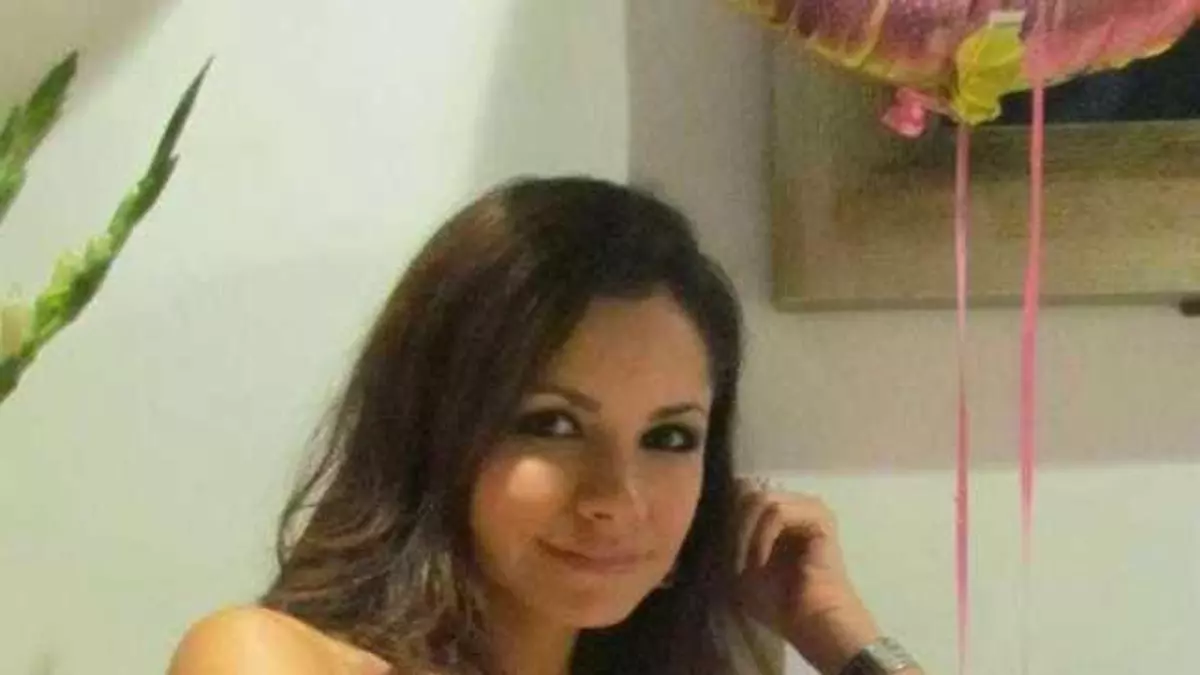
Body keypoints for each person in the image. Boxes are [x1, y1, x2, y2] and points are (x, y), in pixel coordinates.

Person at [168, 177, 922, 675]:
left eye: (668, 437)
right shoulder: (267, 658)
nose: (616, 496)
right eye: (552, 425)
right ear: (435, 425)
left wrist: (837, 631)